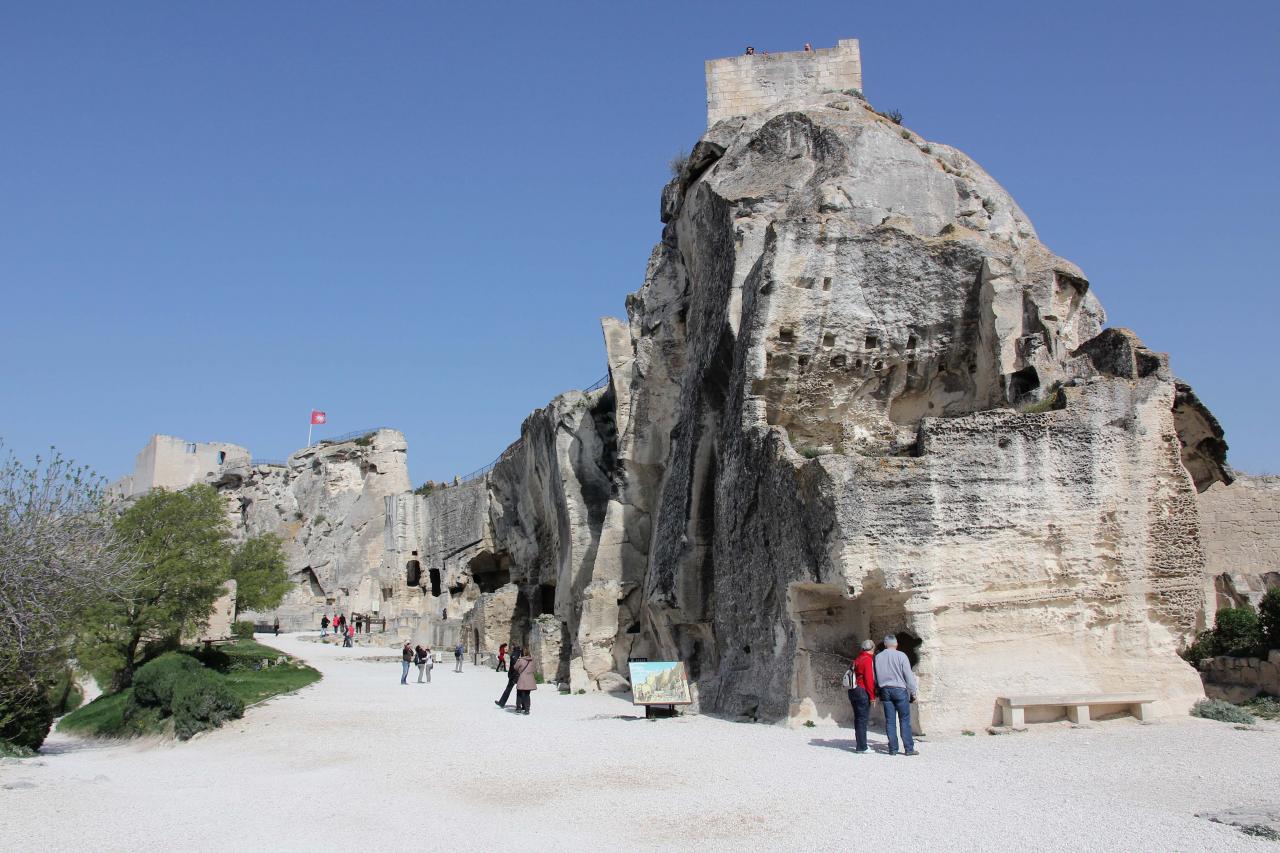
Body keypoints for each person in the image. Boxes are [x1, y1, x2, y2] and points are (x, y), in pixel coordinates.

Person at [874, 634, 919, 756]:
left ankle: (893, 749)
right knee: (904, 720)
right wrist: (913, 692)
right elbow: (908, 676)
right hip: (899, 689)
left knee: (890, 721)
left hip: (885, 690)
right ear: (896, 644)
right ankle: (909, 748)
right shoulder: (901, 656)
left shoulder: (878, 657)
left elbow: (875, 676)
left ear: (885, 644)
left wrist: (877, 690)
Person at [843, 639, 877, 753]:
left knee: (858, 719)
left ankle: (860, 744)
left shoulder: (857, 659)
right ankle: (862, 747)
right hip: (862, 691)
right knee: (862, 719)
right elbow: (868, 679)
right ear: (871, 648)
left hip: (853, 690)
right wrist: (872, 697)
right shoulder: (867, 660)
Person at [513, 650, 536, 715]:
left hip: (522, 679)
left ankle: (518, 708)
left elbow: (515, 667)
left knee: (519, 693)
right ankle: (527, 709)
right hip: (530, 679)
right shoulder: (532, 660)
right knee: (527, 695)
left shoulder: (520, 660)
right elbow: (534, 669)